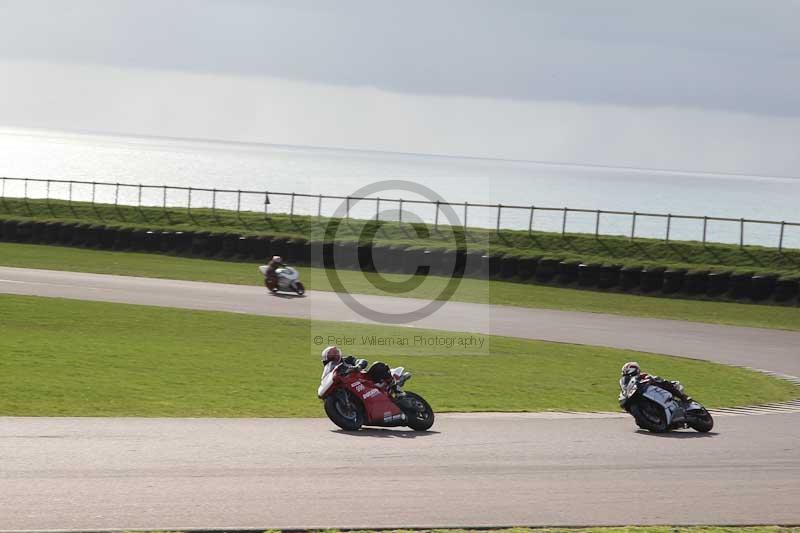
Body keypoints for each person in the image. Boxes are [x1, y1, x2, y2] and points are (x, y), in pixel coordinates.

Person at [621, 361, 691, 402]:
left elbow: (650, 377)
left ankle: (682, 396)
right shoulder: (626, 381)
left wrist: (649, 379)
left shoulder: (642, 375)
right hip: (643, 396)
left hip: (655, 391)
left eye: (628, 371)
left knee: (659, 380)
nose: (627, 373)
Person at [320, 345, 392, 384]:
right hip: (350, 385)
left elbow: (362, 361)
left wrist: (358, 367)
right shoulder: (329, 373)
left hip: (363, 379)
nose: (334, 358)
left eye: (335, 356)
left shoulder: (348, 359)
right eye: (332, 358)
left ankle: (395, 387)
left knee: (378, 366)